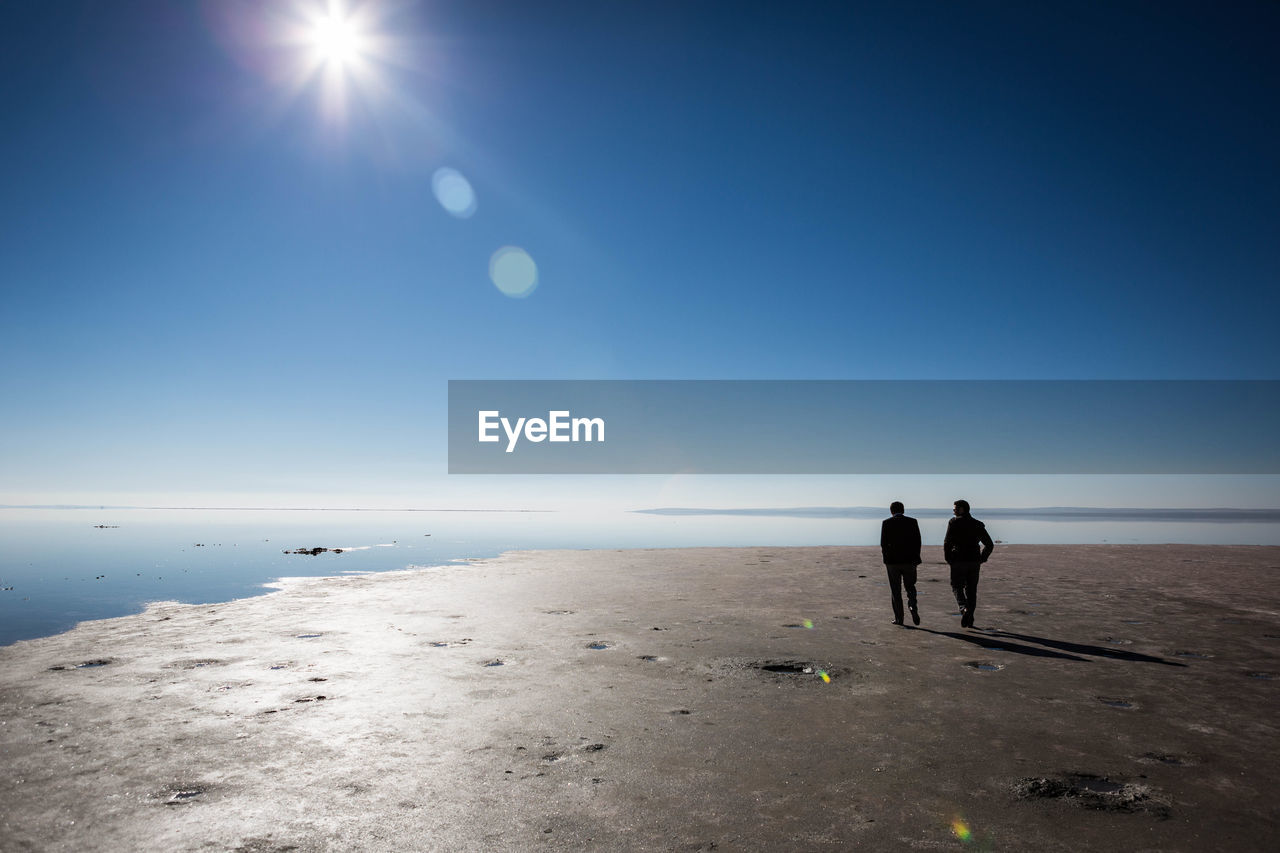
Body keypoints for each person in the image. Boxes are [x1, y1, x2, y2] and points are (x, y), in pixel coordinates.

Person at [943, 499, 994, 628]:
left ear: (962, 509)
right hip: (974, 561)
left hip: (959, 560)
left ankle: (964, 608)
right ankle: (969, 619)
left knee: (956, 586)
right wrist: (982, 558)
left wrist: (948, 558)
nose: (953, 510)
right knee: (971, 590)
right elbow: (989, 544)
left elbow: (947, 543)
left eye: (955, 508)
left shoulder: (954, 522)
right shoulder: (977, 524)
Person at [880, 501, 922, 626]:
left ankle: (899, 618)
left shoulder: (886, 523)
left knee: (895, 590)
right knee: (910, 587)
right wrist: (916, 558)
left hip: (893, 562)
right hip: (910, 561)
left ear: (891, 511)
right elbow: (917, 542)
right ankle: (912, 606)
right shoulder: (912, 522)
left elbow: (883, 544)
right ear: (903, 510)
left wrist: (886, 559)